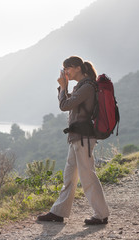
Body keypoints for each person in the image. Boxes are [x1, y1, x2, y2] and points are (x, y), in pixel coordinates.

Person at [37, 56, 109, 225]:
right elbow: (69, 103)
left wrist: (63, 87)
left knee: (87, 176)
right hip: (76, 137)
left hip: (83, 138)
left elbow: (65, 106)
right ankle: (58, 212)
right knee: (69, 176)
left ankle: (101, 214)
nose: (66, 72)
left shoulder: (88, 86)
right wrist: (64, 88)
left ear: (77, 68)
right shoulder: (81, 86)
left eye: (67, 68)